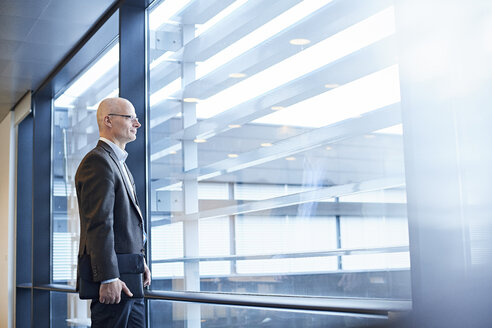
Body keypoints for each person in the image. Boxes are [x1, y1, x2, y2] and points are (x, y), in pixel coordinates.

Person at [75, 97, 151, 327]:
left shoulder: (119, 163)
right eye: (131, 118)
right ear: (108, 120)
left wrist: (139, 261)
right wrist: (108, 277)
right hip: (114, 281)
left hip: (129, 275)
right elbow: (99, 223)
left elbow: (123, 225)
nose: (137, 124)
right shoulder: (97, 162)